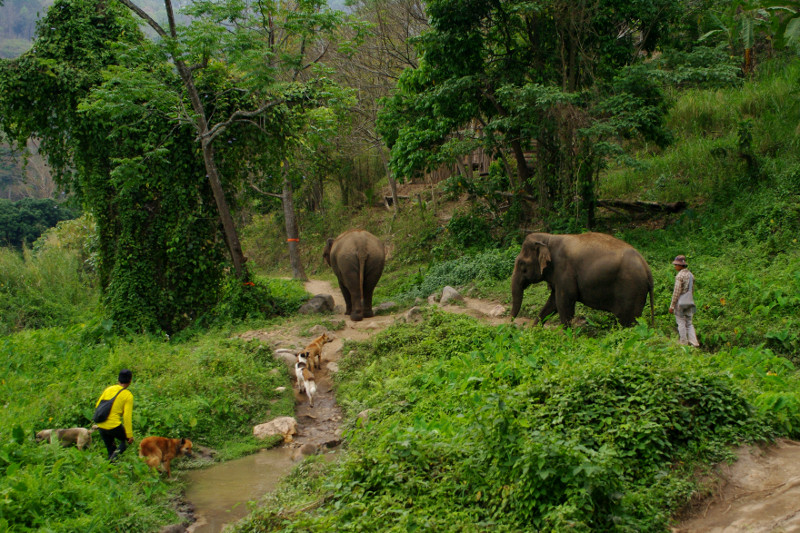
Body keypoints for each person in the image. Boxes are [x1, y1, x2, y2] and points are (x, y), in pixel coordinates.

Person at [95, 369, 134, 461]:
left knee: (110, 449)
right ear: (130, 381)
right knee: (124, 442)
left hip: (101, 424)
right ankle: (111, 462)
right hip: (114, 426)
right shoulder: (128, 395)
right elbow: (127, 417)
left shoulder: (108, 389)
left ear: (118, 379)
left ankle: (110, 466)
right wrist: (129, 435)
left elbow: (98, 405)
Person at [669, 255, 700, 347]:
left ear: (680, 265)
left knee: (681, 322)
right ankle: (694, 342)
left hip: (680, 303)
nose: (675, 266)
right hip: (689, 302)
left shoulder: (680, 276)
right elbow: (691, 290)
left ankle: (683, 342)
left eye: (676, 265)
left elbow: (676, 292)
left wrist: (672, 306)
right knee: (689, 323)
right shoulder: (691, 275)